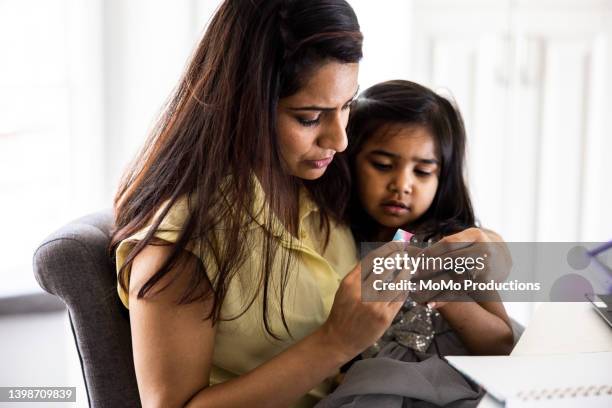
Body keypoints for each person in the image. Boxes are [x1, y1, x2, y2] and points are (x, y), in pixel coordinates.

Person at [111, 1, 509, 406]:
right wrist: (335, 343)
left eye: (347, 105)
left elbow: (425, 206)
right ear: (244, 104)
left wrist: (483, 244)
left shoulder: (325, 180)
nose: (340, 140)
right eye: (309, 118)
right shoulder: (180, 247)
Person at [315, 80, 513, 407]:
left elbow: (501, 344)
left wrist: (450, 299)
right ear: (349, 160)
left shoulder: (453, 246)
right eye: (382, 165)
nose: (402, 185)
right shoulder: (338, 238)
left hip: (452, 391)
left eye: (422, 171)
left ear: (442, 178)